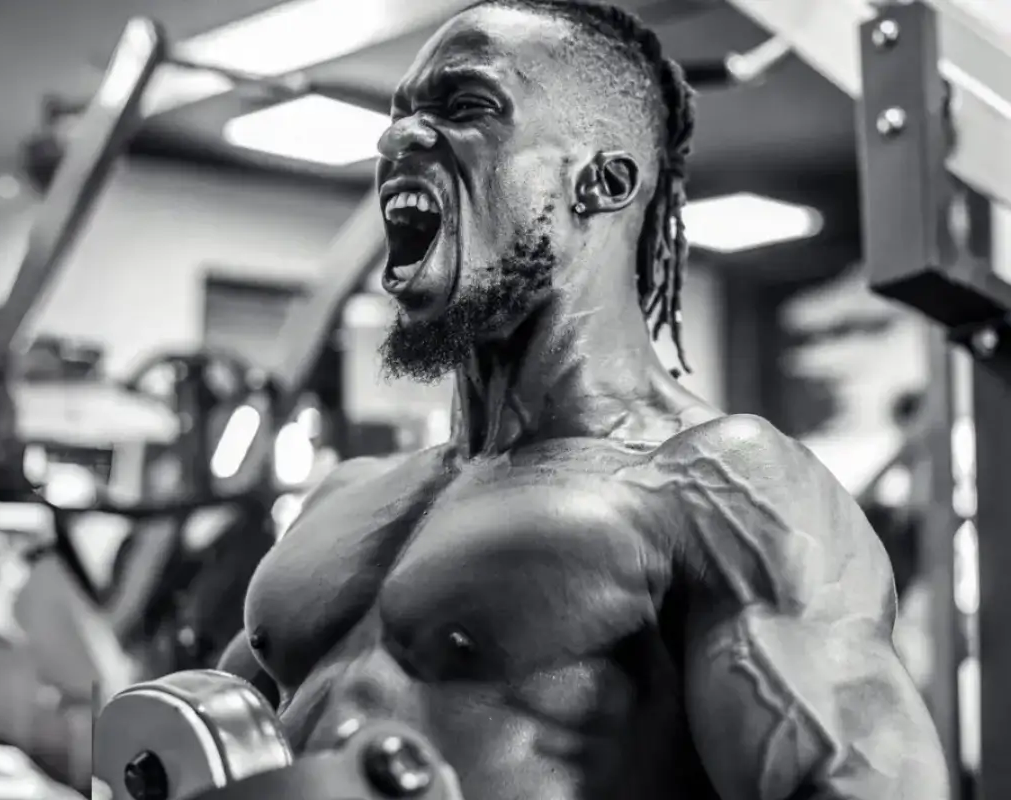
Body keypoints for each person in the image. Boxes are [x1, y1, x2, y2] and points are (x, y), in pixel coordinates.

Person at [216, 2, 949, 798]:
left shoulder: (719, 487)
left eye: (466, 107)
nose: (399, 138)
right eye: (400, 115)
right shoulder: (348, 496)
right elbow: (202, 749)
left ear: (601, 182)